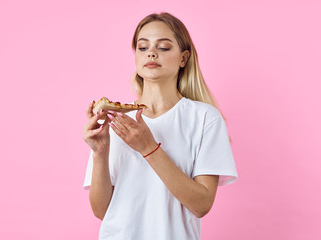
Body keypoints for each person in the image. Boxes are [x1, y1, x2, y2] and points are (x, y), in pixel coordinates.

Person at [82, 12, 238, 240]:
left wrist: (148, 148)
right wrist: (100, 152)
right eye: (143, 47)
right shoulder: (115, 119)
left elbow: (202, 204)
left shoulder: (205, 118)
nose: (152, 53)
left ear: (184, 58)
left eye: (164, 47)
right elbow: (101, 211)